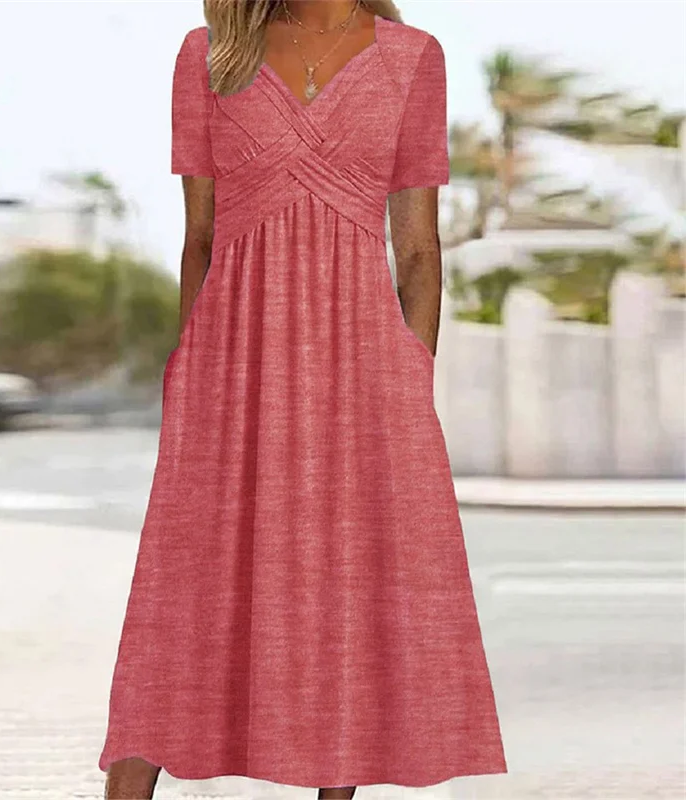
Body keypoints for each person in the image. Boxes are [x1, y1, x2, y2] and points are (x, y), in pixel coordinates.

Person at [99, 1, 508, 798]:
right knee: (185, 588)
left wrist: (409, 378)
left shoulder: (412, 58)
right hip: (230, 365)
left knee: (347, 583)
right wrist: (191, 371)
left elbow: (418, 252)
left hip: (364, 370)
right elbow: (200, 239)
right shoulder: (210, 53)